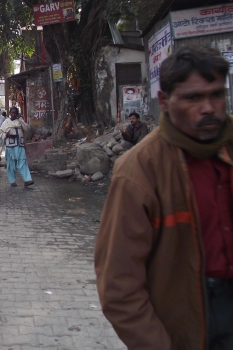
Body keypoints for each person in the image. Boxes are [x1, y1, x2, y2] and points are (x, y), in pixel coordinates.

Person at [95, 46, 233, 349]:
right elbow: (119, 288)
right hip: (188, 320)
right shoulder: (139, 171)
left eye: (216, 95)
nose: (208, 108)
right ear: (165, 102)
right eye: (193, 98)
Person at [0, 107, 33, 187]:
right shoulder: (6, 122)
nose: (13, 114)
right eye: (12, 113)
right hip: (10, 147)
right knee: (11, 165)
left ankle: (27, 180)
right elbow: (0, 134)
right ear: (9, 113)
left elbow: (26, 128)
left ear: (17, 114)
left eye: (15, 113)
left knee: (23, 162)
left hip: (20, 145)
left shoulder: (20, 121)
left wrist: (21, 118)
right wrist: (6, 135)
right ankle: (12, 181)